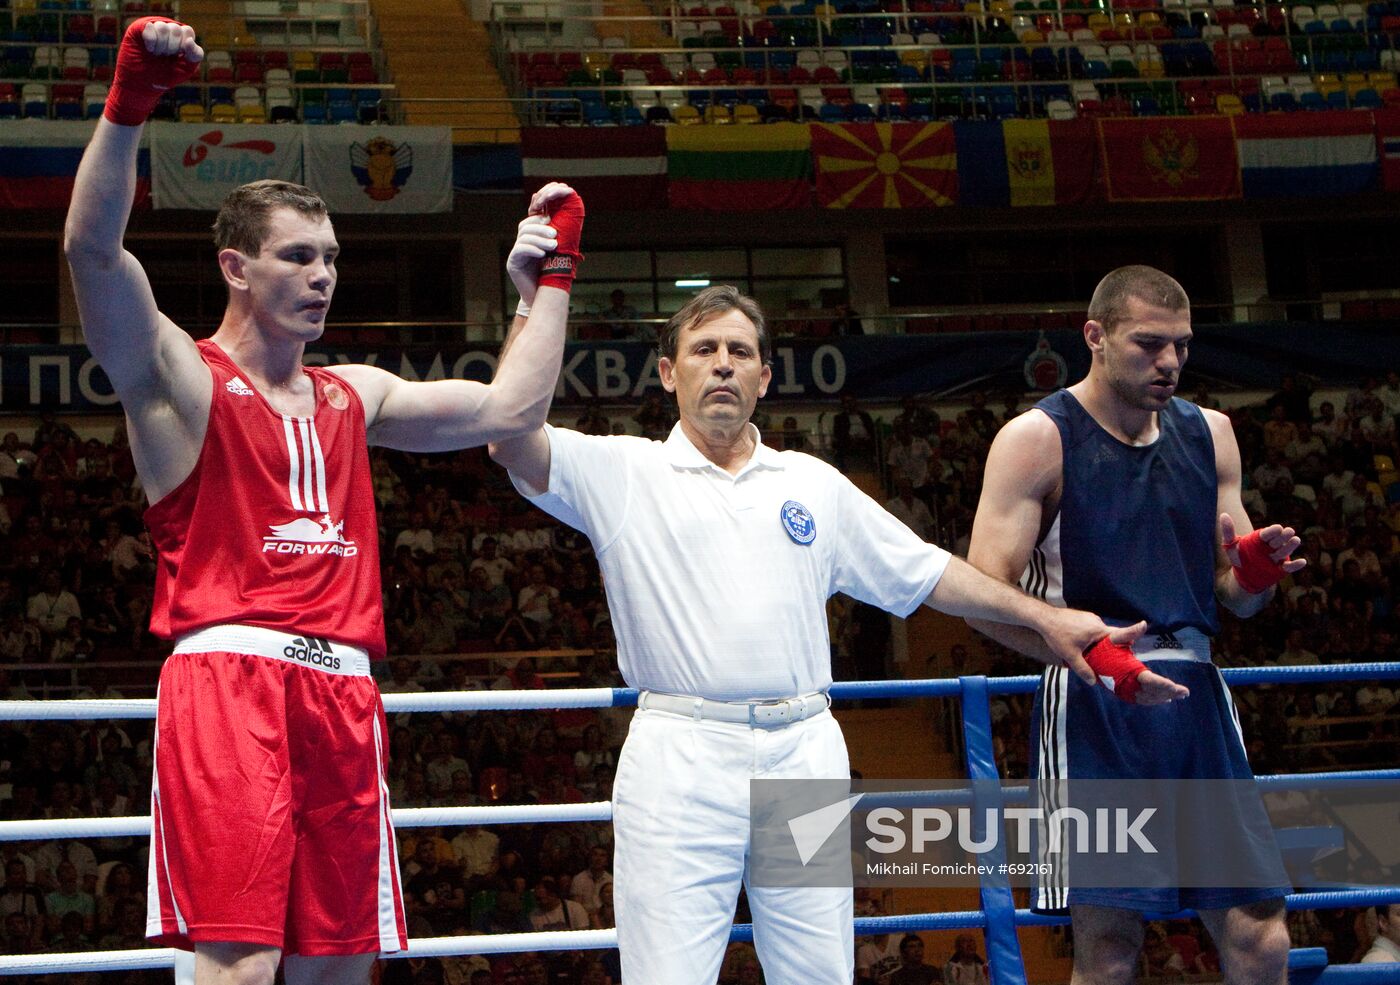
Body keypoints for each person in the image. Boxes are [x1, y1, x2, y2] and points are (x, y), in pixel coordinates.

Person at [63, 17, 584, 984]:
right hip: (230, 682)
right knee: (238, 964)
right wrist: (130, 103)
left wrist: (546, 282)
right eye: (298, 256)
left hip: (344, 690)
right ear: (235, 267)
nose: (323, 276)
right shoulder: (180, 375)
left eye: (331, 258)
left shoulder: (357, 390)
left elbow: (513, 406)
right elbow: (93, 256)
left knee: (337, 968)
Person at [489, 285, 1150, 985]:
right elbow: (507, 435)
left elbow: (927, 572)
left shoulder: (812, 482)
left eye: (739, 352)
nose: (721, 365)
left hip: (801, 751)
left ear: (764, 377)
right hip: (680, 756)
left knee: (818, 976)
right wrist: (542, 293)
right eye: (704, 349)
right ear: (666, 371)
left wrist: (1045, 616)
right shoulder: (621, 469)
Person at [966, 265, 1302, 985]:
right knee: (1111, 946)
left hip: (1198, 695)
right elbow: (981, 592)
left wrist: (1253, 574)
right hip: (1094, 702)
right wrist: (1090, 652)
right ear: (1095, 335)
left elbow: (1235, 600)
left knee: (1261, 936)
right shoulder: (1036, 439)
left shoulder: (1212, 434)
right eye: (1149, 344)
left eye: (1181, 344)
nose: (1171, 361)